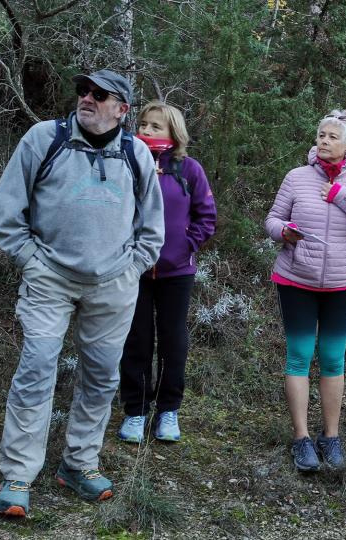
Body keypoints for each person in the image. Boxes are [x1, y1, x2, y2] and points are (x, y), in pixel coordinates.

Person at [0, 69, 164, 516]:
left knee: (102, 376)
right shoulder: (43, 139)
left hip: (113, 285)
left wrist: (132, 268)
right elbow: (8, 209)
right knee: (37, 368)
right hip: (49, 279)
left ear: (122, 109)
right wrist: (31, 260)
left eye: (100, 94)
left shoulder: (135, 153)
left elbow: (152, 227)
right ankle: (19, 474)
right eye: (83, 91)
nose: (87, 98)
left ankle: (79, 463)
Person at [265, 110, 346, 472]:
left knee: (333, 359)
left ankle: (330, 436)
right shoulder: (296, 177)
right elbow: (272, 219)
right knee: (299, 355)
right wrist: (283, 231)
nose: (323, 140)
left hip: (340, 284)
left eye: (332, 136)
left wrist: (340, 195)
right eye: (320, 134)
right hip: (295, 279)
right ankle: (301, 438)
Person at [116, 101, 217, 444]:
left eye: (155, 126)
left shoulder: (188, 169)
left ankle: (168, 410)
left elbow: (207, 217)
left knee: (173, 341)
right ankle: (135, 411)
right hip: (134, 270)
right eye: (143, 124)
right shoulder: (127, 163)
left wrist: (185, 246)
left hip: (177, 272)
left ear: (174, 132)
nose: (146, 130)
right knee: (137, 340)